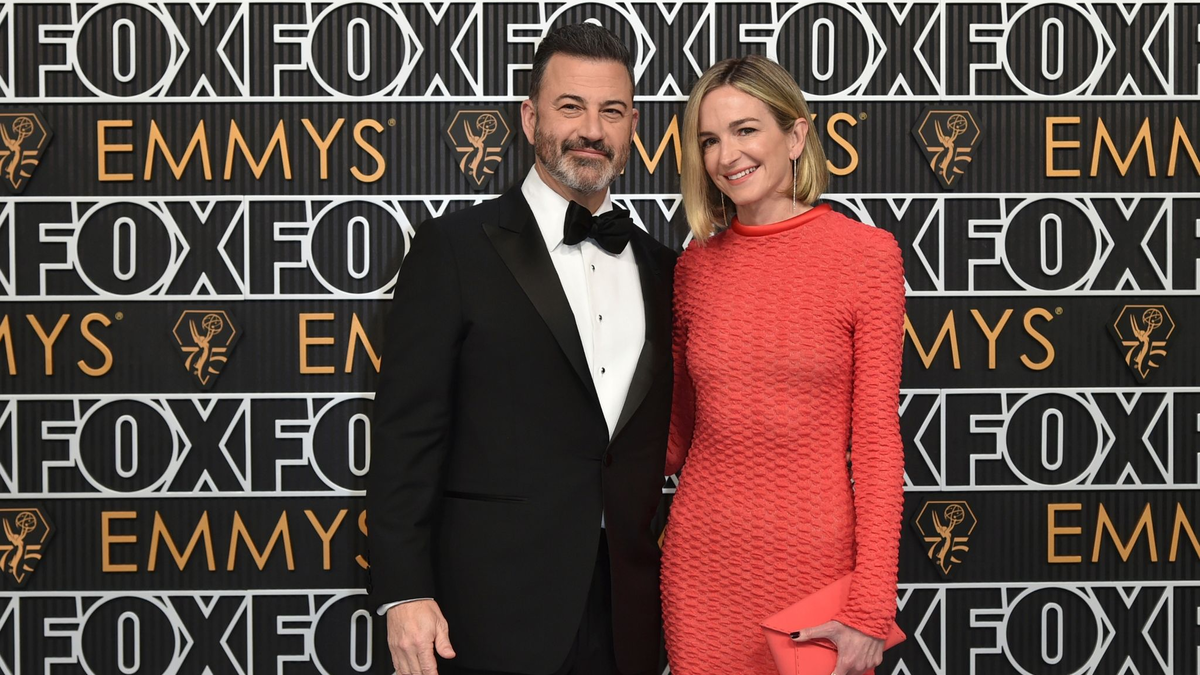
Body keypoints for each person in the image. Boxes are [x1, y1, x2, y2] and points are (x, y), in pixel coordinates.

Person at [365, 23, 676, 675]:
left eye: (611, 111)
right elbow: (405, 435)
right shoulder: (453, 249)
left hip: (630, 618)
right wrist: (404, 591)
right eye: (571, 106)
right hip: (489, 614)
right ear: (530, 117)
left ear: (632, 126)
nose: (592, 128)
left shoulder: (663, 267)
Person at [661, 55, 906, 675]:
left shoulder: (866, 258)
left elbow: (877, 441)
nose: (727, 156)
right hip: (702, 565)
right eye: (709, 139)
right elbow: (675, 436)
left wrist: (871, 604)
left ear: (795, 136)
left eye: (746, 130)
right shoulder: (695, 267)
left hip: (815, 570)